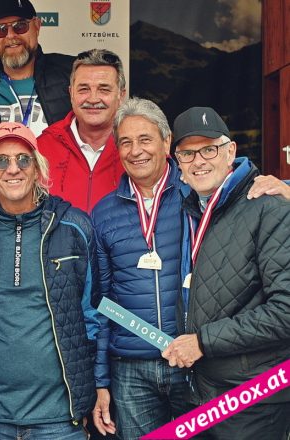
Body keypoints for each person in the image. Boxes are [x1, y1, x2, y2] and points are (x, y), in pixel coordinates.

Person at [0, 122, 99, 439]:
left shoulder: (73, 226)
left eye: (23, 159)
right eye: (1, 161)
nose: (13, 169)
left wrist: (96, 387)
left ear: (38, 168)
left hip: (59, 418)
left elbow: (94, 314)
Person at [162, 107, 290, 439]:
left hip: (254, 396)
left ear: (230, 151)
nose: (199, 161)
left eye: (209, 149)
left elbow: (286, 311)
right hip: (204, 389)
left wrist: (203, 342)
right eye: (187, 153)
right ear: (177, 163)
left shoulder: (269, 207)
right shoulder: (194, 209)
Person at [90, 98, 190, 439]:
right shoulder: (103, 213)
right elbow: (102, 303)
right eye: (126, 142)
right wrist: (101, 381)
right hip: (130, 371)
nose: (136, 151)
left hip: (191, 362)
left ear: (166, 141)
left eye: (145, 139)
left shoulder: (197, 195)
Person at [0, 0, 73, 135]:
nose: (10, 35)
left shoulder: (73, 75)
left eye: (20, 26)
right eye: (0, 29)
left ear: (37, 26)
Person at [38, 49, 126, 212]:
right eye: (84, 89)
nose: (93, 99)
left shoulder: (139, 148)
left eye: (104, 89)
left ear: (121, 95)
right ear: (71, 93)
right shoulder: (42, 147)